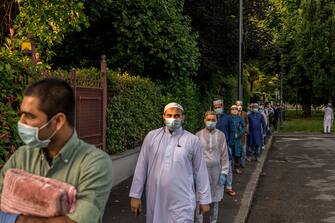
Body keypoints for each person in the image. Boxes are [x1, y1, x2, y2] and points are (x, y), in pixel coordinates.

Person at [0, 78, 113, 223]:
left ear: (58, 121)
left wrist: (14, 219)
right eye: (21, 114)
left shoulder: (94, 163)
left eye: (30, 116)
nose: (21, 122)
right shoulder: (22, 155)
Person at [129, 102, 211, 223]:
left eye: (177, 115)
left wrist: (204, 200)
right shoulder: (152, 137)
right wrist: (135, 195)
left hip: (183, 200)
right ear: (163, 116)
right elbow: (141, 166)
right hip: (156, 199)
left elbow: (201, 171)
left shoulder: (192, 140)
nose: (173, 118)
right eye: (169, 115)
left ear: (183, 117)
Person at [195, 111, 229, 223]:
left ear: (216, 121)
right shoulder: (197, 135)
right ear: (204, 120)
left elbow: (224, 155)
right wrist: (193, 173)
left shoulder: (221, 135)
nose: (210, 122)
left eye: (213, 120)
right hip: (201, 171)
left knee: (215, 198)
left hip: (216, 171)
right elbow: (194, 156)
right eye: (208, 119)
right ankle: (198, 220)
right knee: (200, 198)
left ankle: (213, 221)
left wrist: (224, 172)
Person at [212, 99, 235, 196]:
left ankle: (229, 187)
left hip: (226, 146)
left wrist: (229, 143)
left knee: (228, 167)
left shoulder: (228, 118)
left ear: (222, 106)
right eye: (216, 107)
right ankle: (216, 186)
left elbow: (232, 131)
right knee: (216, 166)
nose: (217, 108)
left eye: (219, 106)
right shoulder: (212, 119)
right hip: (213, 147)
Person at [229, 105, 246, 174]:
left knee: (237, 154)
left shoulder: (240, 118)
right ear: (230, 111)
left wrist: (239, 134)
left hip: (237, 139)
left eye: (236, 109)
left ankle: (237, 168)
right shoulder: (228, 118)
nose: (234, 110)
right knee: (230, 153)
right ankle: (229, 168)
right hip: (230, 138)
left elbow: (244, 127)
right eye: (233, 109)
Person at [236, 100, 249, 168]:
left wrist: (246, 131)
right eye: (238, 105)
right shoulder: (234, 113)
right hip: (236, 136)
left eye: (240, 105)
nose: (239, 106)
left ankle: (242, 163)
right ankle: (237, 165)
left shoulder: (244, 114)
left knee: (243, 151)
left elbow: (247, 123)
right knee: (237, 151)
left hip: (243, 135)